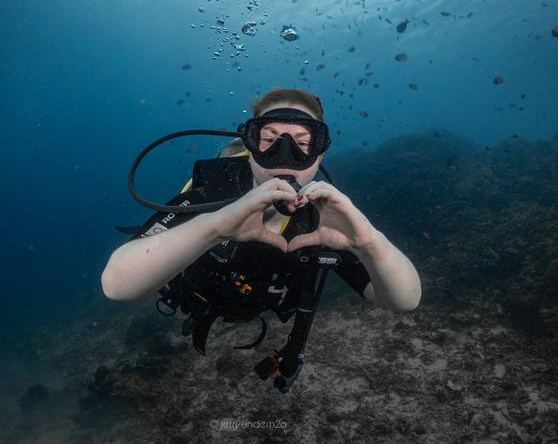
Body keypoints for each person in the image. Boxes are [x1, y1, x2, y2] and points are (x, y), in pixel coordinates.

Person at [101, 88, 421, 391]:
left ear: (320, 154)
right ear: (250, 147)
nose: (285, 156)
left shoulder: (325, 218)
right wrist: (214, 226)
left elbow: (403, 300)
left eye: (303, 142)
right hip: (195, 299)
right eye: (268, 140)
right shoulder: (214, 194)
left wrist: (368, 242)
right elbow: (117, 285)